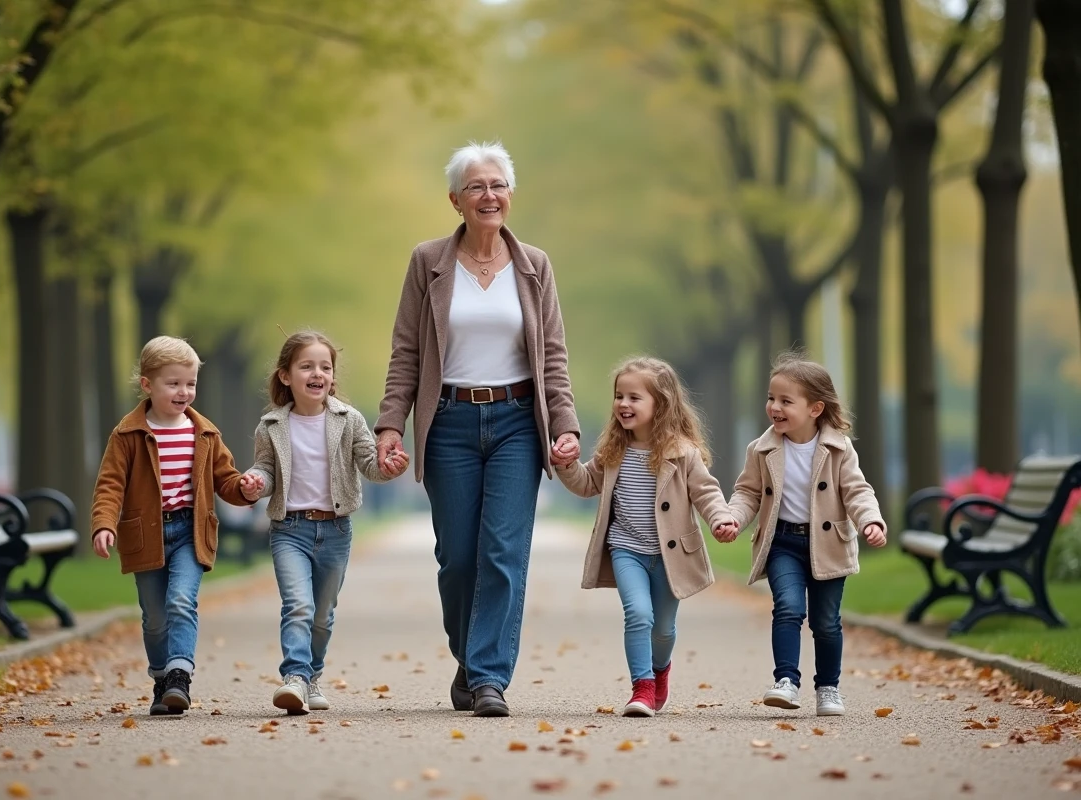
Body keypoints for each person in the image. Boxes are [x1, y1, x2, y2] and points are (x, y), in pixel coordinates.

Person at [374, 141, 581, 717]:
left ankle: (489, 677)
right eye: (476, 187)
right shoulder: (428, 262)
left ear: (510, 195)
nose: (488, 195)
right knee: (459, 558)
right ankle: (469, 656)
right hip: (450, 423)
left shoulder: (534, 265)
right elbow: (407, 351)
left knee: (503, 551)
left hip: (518, 421)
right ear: (455, 200)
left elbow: (554, 355)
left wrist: (563, 423)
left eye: (497, 185)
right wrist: (391, 422)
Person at [555, 357, 737, 717]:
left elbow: (707, 493)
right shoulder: (613, 451)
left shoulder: (682, 453)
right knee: (638, 614)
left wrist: (721, 518)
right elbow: (586, 483)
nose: (624, 404)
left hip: (671, 557)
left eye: (634, 397)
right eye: (619, 396)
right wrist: (565, 465)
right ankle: (642, 687)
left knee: (664, 630)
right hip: (627, 549)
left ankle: (660, 671)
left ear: (661, 403)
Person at [91, 336, 260, 715]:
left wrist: (245, 489)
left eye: (190, 383)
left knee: (182, 601)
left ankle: (180, 676)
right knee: (154, 618)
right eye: (174, 384)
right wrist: (104, 524)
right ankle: (161, 679)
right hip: (146, 535)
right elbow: (110, 485)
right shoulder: (127, 434)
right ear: (147, 385)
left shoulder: (204, 433)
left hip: (189, 532)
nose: (184, 392)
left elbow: (225, 479)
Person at [242, 330, 408, 715]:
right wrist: (255, 482)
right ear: (286, 376)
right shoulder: (271, 426)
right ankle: (295, 677)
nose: (317, 373)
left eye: (325, 367)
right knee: (297, 605)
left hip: (335, 530)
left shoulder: (348, 420)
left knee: (321, 613)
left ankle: (313, 674)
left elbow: (369, 463)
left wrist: (389, 467)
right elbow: (266, 470)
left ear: (332, 376)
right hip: (289, 530)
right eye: (307, 366)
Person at [716, 350, 887, 716]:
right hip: (783, 543)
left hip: (828, 545)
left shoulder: (839, 449)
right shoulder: (761, 449)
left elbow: (857, 491)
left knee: (826, 622)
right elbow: (747, 492)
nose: (774, 407)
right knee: (788, 609)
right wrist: (732, 517)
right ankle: (786, 682)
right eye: (770, 398)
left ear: (815, 409)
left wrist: (869, 520)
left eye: (785, 401)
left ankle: (828, 688)